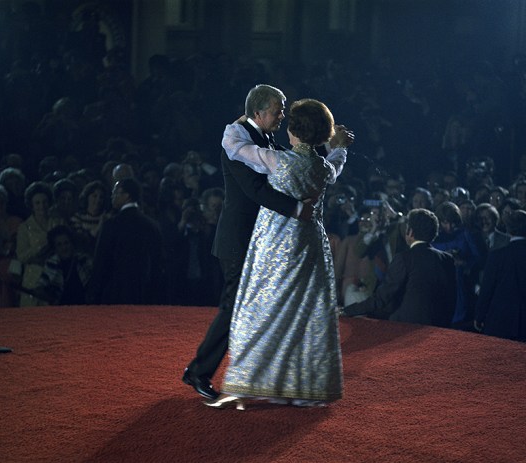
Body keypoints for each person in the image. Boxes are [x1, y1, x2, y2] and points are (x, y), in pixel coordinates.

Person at [182, 84, 351, 400]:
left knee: (264, 306)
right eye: (278, 110)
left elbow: (296, 167)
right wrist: (299, 208)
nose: (283, 116)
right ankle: (200, 372)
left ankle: (269, 376)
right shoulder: (239, 141)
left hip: (268, 243)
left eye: (285, 109)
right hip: (240, 238)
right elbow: (255, 191)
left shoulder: (262, 141)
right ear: (258, 113)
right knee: (235, 307)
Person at [342, 208, 457, 327]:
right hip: (440, 326)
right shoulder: (447, 259)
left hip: (406, 327)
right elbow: (451, 298)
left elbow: (382, 298)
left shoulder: (404, 258)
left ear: (410, 232)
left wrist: (347, 311)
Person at [474, 210, 526, 344]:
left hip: (498, 319)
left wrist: (479, 316)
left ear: (508, 229)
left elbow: (487, 289)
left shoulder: (497, 256)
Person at [87, 177, 165, 305]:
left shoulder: (111, 225)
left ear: (127, 195)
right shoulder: (152, 226)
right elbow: (159, 264)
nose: (112, 196)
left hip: (115, 295)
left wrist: (94, 295)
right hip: (145, 295)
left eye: (116, 192)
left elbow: (101, 263)